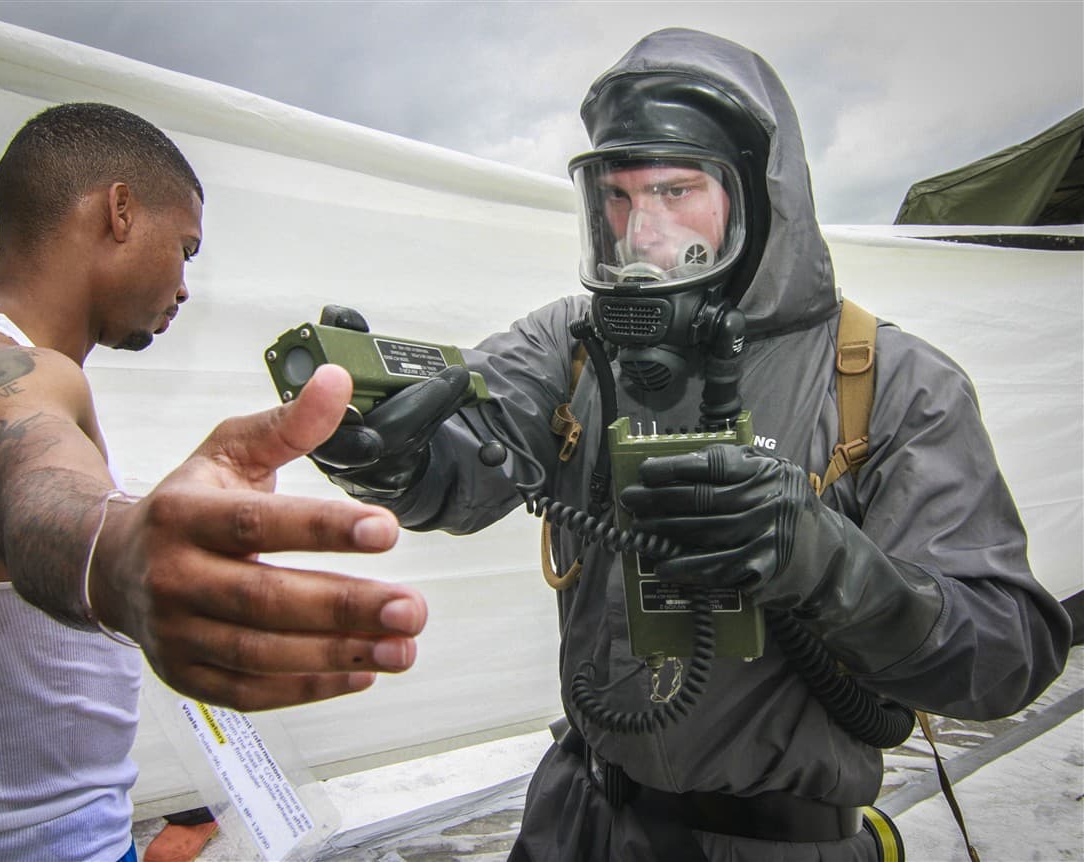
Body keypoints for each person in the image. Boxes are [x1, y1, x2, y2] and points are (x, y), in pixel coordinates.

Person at [308, 29, 1072, 861]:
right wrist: (392, 456)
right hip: (575, 821)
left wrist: (828, 565)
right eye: (620, 196)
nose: (643, 233)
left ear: (754, 196)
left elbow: (1007, 656)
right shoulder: (571, 345)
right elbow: (468, 454)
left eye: (676, 191)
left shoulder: (893, 382)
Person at [0, 103, 428, 861]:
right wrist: (119, 558)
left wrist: (145, 529)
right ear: (119, 210)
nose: (184, 287)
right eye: (186, 248)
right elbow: (33, 485)